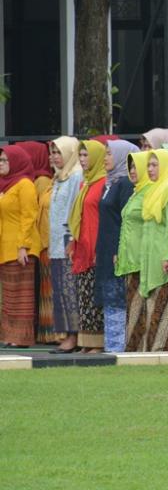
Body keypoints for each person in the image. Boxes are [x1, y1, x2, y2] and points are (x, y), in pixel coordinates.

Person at [136, 149, 168, 352]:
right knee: (152, 308)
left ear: (166, 167)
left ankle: (163, 351)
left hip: (163, 260)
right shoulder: (153, 189)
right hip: (150, 258)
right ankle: (152, 352)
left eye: (155, 165)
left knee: (164, 310)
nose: (150, 169)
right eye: (148, 165)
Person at [94, 140, 138, 353]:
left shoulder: (125, 185)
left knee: (117, 298)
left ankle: (117, 348)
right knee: (109, 299)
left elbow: (125, 221)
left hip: (116, 250)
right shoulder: (109, 183)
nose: (105, 158)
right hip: (105, 248)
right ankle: (111, 345)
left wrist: (119, 250)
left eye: (110, 154)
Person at [0, 146, 41, 348]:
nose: (1, 164)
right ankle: (9, 335)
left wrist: (23, 246)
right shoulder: (5, 186)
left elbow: (29, 216)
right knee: (9, 296)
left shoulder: (24, 185)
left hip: (21, 248)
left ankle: (22, 338)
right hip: (5, 248)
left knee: (21, 295)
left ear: (16, 162)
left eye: (5, 160)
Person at [69, 140, 107, 352]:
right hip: (82, 246)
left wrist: (100, 248)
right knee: (84, 297)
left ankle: (98, 343)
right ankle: (86, 342)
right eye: (81, 155)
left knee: (95, 296)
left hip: (95, 246)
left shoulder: (103, 183)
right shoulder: (86, 183)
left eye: (86, 155)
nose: (83, 160)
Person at [48, 137, 84, 354]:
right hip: (55, 244)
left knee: (71, 291)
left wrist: (71, 240)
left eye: (58, 152)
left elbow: (75, 211)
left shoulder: (75, 176)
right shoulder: (60, 177)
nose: (54, 157)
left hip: (67, 242)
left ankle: (74, 336)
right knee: (61, 291)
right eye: (52, 153)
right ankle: (67, 334)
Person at [22, 141, 59, 345]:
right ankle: (47, 334)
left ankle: (53, 334)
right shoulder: (45, 179)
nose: (52, 156)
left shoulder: (42, 181)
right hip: (45, 243)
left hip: (50, 243)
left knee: (50, 290)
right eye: (51, 153)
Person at [117, 152, 151, 351]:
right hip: (129, 258)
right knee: (133, 307)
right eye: (130, 167)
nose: (132, 171)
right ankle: (133, 349)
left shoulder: (149, 193)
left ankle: (136, 350)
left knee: (139, 308)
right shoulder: (136, 192)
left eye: (136, 167)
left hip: (141, 259)